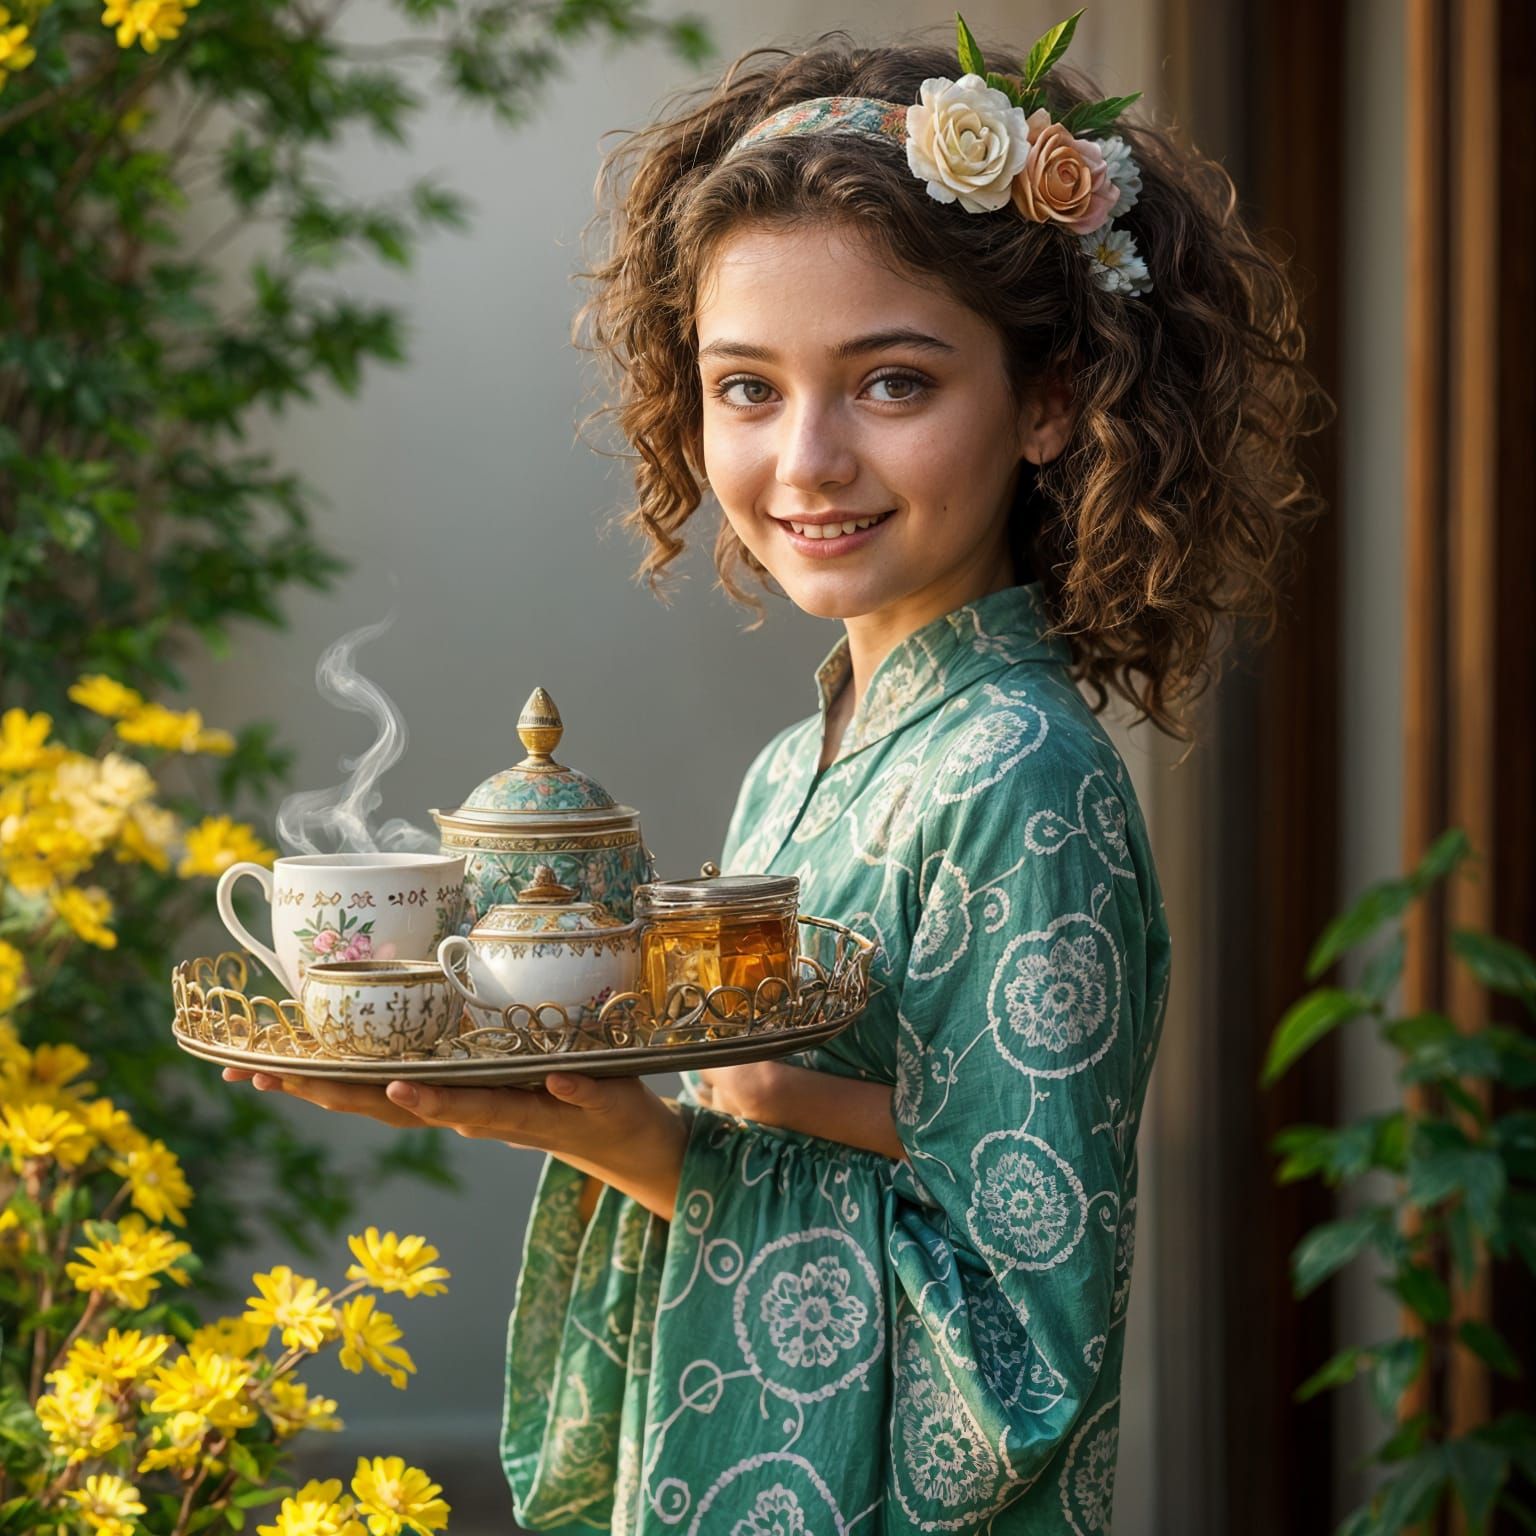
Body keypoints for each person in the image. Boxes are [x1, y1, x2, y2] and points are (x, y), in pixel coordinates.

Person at [223, 12, 1327, 1531]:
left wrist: (662, 1137)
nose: (803, 459)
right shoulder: (792, 766)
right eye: (747, 387)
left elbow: (1020, 1353)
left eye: (889, 383)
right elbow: (810, 1122)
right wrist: (624, 1111)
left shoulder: (1023, 774)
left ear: (1054, 400)